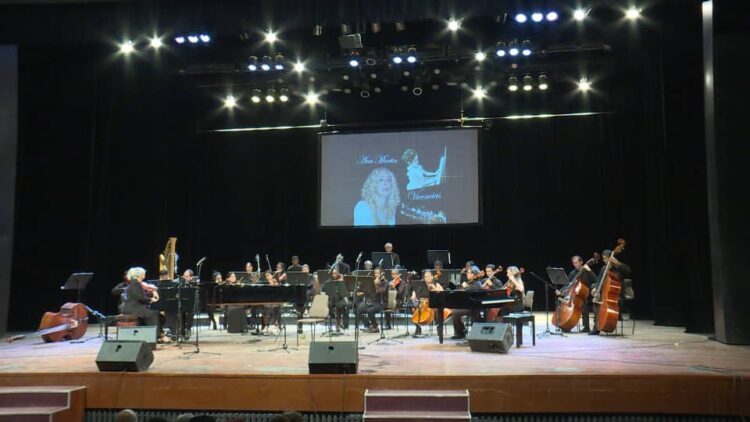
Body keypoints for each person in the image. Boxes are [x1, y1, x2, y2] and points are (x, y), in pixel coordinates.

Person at [590, 250, 631, 335]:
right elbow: (599, 281)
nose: (604, 261)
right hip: (605, 295)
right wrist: (595, 288)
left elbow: (628, 271)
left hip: (617, 296)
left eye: (606, 259)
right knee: (596, 301)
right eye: (603, 259)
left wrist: (617, 263)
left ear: (611, 258)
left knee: (605, 304)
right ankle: (597, 327)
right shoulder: (603, 268)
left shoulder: (619, 269)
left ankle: (607, 324)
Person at [121, 267, 164, 341]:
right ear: (139, 275)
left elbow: (141, 296)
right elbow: (140, 297)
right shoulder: (135, 284)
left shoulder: (134, 283)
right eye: (143, 273)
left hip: (133, 307)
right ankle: (155, 337)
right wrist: (151, 299)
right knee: (153, 313)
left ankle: (151, 335)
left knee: (153, 312)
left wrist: (151, 295)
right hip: (133, 309)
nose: (144, 274)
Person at [560, 255, 598, 332]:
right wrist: (561, 291)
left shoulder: (587, 272)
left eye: (576, 263)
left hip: (587, 295)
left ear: (581, 262)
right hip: (575, 295)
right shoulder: (573, 273)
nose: (575, 265)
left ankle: (586, 327)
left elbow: (597, 280)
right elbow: (568, 284)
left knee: (583, 304)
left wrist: (589, 270)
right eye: (573, 263)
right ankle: (566, 325)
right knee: (563, 302)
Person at [451, 266, 483, 339]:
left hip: (474, 308)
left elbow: (472, 292)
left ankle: (460, 333)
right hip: (468, 306)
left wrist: (465, 287)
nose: (467, 274)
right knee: (454, 311)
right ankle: (460, 332)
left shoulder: (477, 283)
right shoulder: (471, 283)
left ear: (474, 275)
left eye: (469, 273)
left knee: (455, 312)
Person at [409, 270, 443, 336]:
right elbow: (415, 291)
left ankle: (439, 328)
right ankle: (418, 327)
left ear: (432, 277)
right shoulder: (421, 285)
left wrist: (435, 289)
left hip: (433, 303)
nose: (427, 278)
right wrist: (414, 295)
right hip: (423, 303)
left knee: (437, 309)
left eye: (429, 276)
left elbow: (442, 293)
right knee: (412, 308)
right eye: (426, 277)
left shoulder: (436, 284)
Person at [357, 267, 385, 333]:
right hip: (370, 301)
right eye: (375, 273)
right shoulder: (372, 281)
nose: (376, 275)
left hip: (379, 302)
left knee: (370, 310)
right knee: (357, 310)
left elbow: (381, 292)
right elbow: (368, 291)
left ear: (381, 274)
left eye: (378, 273)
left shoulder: (384, 282)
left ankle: (375, 327)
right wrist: (362, 293)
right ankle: (369, 325)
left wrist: (376, 284)